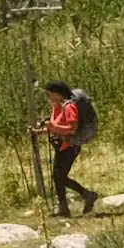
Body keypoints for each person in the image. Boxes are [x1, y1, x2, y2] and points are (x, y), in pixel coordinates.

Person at [38, 80, 103, 217]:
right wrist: (40, 131)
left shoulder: (69, 107)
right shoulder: (57, 106)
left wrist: (52, 127)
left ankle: (80, 197)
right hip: (61, 145)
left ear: (58, 93)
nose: (48, 97)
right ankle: (68, 203)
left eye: (50, 94)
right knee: (58, 176)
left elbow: (71, 129)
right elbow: (56, 126)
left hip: (69, 146)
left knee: (59, 176)